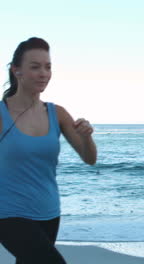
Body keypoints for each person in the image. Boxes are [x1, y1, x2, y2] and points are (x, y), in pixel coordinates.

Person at [0, 37, 97, 264]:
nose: (43, 73)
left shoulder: (58, 113)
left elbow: (90, 158)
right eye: (35, 67)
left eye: (48, 67)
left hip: (49, 212)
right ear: (17, 71)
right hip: (8, 213)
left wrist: (87, 137)